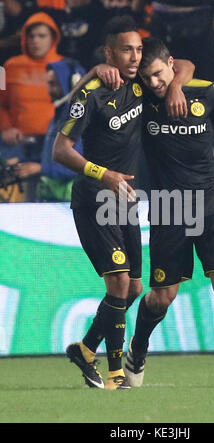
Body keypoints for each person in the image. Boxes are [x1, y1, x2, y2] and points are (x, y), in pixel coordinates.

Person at [52, 15, 194, 390]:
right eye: (126, 50)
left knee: (132, 289)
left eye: (138, 50)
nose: (134, 57)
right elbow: (60, 150)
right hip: (95, 198)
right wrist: (105, 174)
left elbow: (189, 65)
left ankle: (85, 349)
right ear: (109, 52)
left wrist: (177, 86)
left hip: (125, 202)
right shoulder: (93, 92)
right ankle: (115, 373)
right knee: (118, 286)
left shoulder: (143, 86)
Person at [123, 37, 214, 389]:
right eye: (148, 78)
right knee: (163, 296)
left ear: (170, 64)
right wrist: (168, 83)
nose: (154, 83)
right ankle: (138, 348)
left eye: (160, 75)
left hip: (209, 202)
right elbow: (120, 76)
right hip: (167, 207)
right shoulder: (141, 98)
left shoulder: (207, 93)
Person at [0, 12, 63, 200]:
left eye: (42, 36)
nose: (35, 41)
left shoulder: (66, 67)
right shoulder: (8, 66)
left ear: (53, 38)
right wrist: (6, 128)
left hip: (53, 143)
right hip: (16, 142)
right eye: (31, 36)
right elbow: (1, 104)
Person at [12, 58, 86, 202]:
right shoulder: (57, 119)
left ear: (71, 83)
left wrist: (40, 168)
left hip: (70, 203)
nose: (48, 90)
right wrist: (23, 161)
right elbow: (51, 157)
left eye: (53, 84)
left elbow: (80, 165)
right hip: (49, 200)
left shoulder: (78, 120)